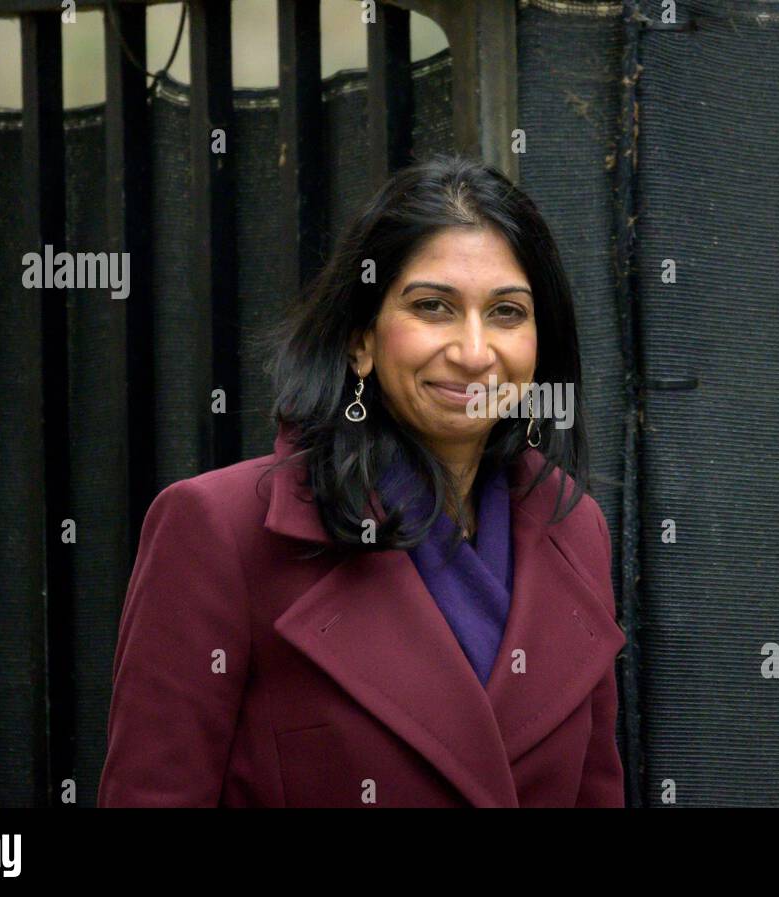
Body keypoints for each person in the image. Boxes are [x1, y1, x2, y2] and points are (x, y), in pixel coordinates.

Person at [97, 153, 626, 807]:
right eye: (432, 306)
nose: (473, 349)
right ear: (360, 340)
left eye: (507, 312)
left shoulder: (574, 529)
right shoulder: (221, 529)